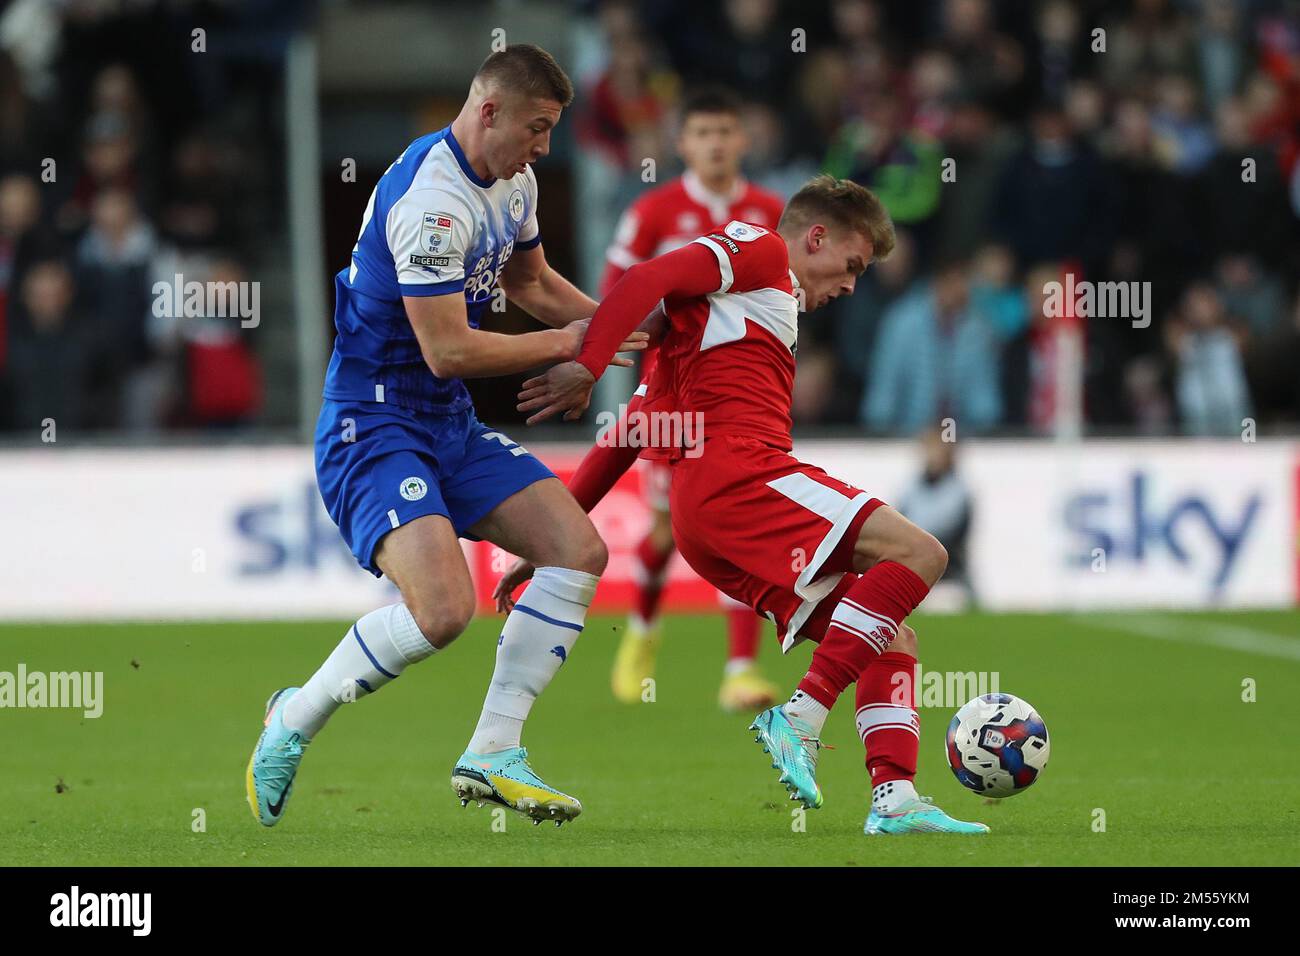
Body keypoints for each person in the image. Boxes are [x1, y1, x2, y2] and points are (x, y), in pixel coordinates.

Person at [504, 175, 989, 835]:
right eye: (851, 265)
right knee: (921, 551)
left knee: (888, 635)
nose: (851, 285)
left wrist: (546, 540)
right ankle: (802, 716)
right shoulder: (758, 253)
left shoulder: (712, 329)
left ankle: (894, 798)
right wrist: (590, 363)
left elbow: (631, 432)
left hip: (705, 522)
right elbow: (648, 274)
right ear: (815, 237)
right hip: (742, 478)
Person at [245, 45, 647, 830]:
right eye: (537, 127)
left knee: (577, 549)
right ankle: (294, 715)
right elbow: (449, 349)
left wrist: (617, 326)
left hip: (445, 421)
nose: (544, 147)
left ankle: (494, 752)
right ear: (488, 110)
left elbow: (529, 283)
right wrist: (569, 345)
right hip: (374, 420)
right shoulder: (434, 202)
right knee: (442, 612)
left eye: (553, 129)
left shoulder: (513, 180)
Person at [599, 87, 787, 712]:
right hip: (674, 395)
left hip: (740, 397)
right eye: (703, 133)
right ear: (683, 144)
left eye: (725, 132)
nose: (715, 144)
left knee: (742, 524)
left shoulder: (767, 211)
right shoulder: (654, 211)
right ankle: (644, 633)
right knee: (663, 530)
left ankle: (739, 670)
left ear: (743, 140)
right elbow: (614, 293)